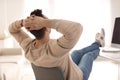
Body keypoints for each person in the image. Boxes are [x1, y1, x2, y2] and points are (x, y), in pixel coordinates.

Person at [9, 9, 105, 80]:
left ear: (29, 29)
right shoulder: (55, 48)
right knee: (88, 55)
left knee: (76, 53)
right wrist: (44, 22)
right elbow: (77, 28)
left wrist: (22, 22)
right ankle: (98, 45)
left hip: (64, 66)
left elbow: (12, 30)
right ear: (47, 28)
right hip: (78, 77)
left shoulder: (28, 46)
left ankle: (97, 42)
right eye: (46, 21)